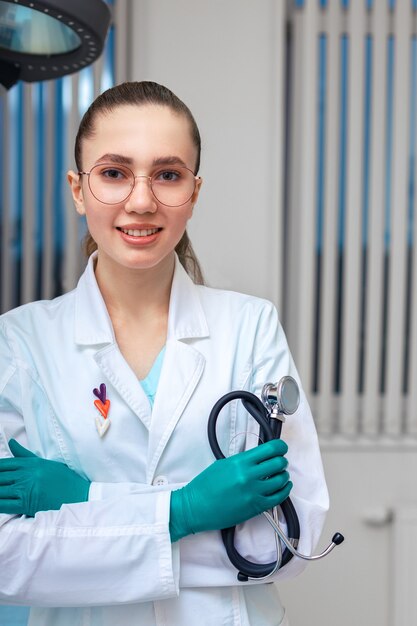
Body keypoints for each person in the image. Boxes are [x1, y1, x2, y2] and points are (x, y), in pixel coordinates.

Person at [0, 81, 328, 626]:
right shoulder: (18, 342)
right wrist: (189, 510)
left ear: (193, 192)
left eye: (168, 175)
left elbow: (287, 541)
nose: (142, 200)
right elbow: (10, 560)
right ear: (78, 189)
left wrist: (86, 499)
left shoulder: (249, 326)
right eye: (113, 173)